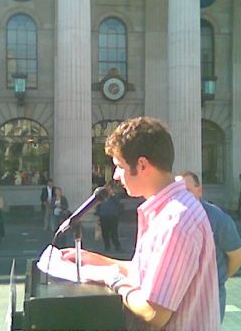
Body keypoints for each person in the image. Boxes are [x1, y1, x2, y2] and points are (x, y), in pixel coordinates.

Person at [61, 117, 220, 331]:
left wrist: (112, 280)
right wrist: (94, 260)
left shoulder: (176, 219)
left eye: (119, 166)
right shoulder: (166, 210)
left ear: (143, 165)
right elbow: (145, 273)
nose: (116, 176)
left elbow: (154, 312)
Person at [180, 171, 241, 322]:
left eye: (187, 191)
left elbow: (237, 257)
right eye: (179, 192)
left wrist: (218, 278)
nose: (183, 197)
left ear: (199, 190)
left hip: (210, 296)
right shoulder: (172, 217)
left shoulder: (218, 218)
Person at [95, 184, 122, 252]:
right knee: (105, 233)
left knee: (114, 233)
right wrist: (98, 214)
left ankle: (117, 247)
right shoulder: (101, 197)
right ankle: (107, 247)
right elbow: (98, 205)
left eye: (109, 189)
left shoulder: (114, 196)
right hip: (104, 216)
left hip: (113, 216)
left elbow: (118, 202)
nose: (108, 190)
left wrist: (112, 194)